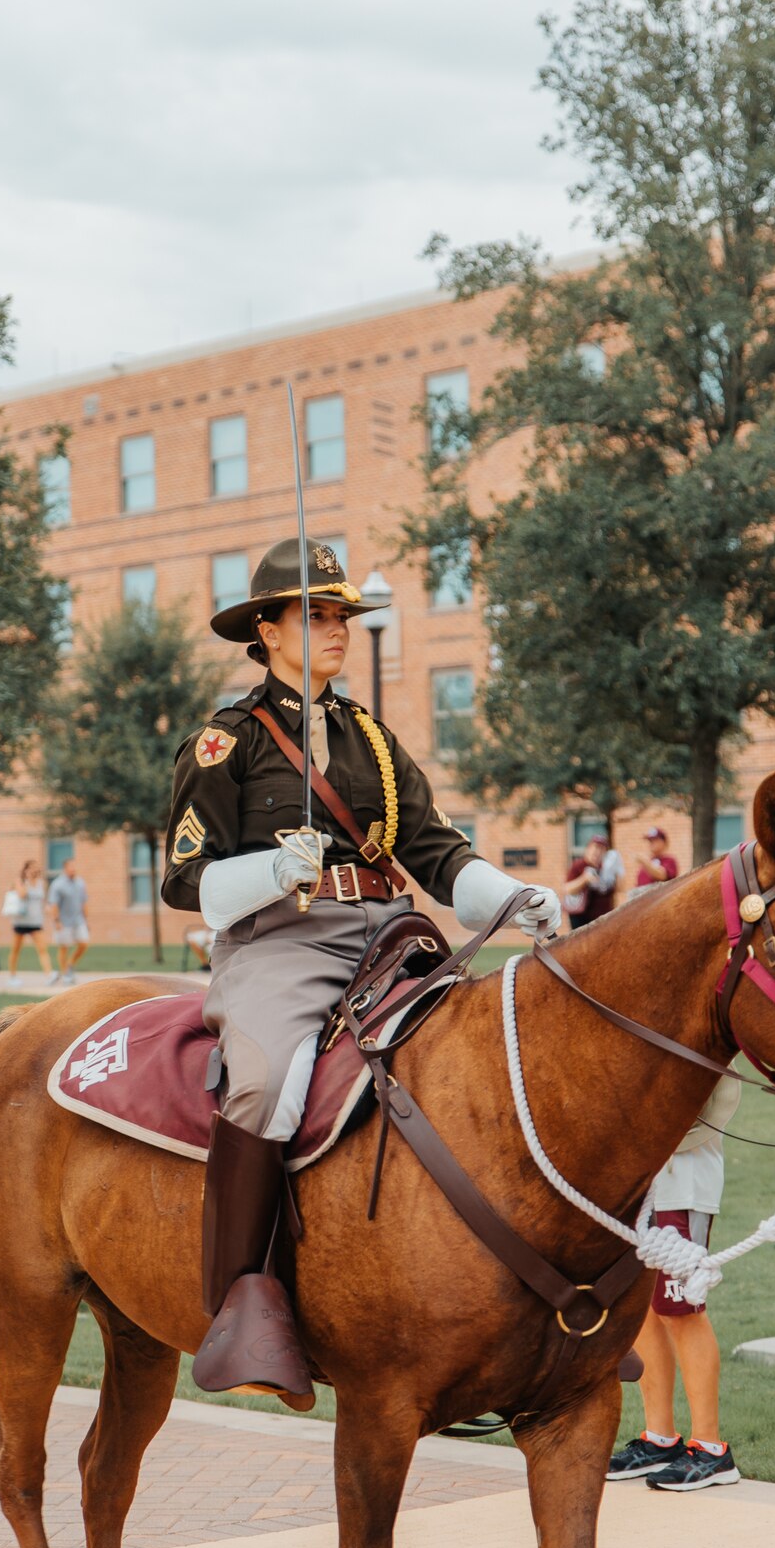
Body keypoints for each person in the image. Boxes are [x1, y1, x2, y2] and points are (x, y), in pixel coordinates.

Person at [162, 536, 562, 1401]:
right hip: (282, 941)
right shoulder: (224, 743)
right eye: (315, 614)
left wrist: (509, 895)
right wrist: (270, 870)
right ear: (266, 630)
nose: (336, 628)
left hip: (390, 932)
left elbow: (435, 847)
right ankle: (241, 1301)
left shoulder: (373, 742)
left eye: (342, 614)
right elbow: (182, 880)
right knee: (267, 1077)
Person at [607, 1078, 742, 1491]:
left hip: (682, 1184)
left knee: (681, 1311)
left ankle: (711, 1450)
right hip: (639, 1183)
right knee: (643, 1309)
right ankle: (660, 1438)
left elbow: (712, 1104)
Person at [4, 858, 51, 985]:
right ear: (26, 869)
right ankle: (12, 976)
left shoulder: (42, 883)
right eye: (31, 867)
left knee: (42, 948)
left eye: (36, 867)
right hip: (21, 922)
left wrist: (47, 908)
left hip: (36, 922)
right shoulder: (20, 881)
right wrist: (28, 880)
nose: (34, 870)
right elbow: (21, 894)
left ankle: (49, 975)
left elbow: (43, 900)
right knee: (16, 950)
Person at [563, 835, 624, 929]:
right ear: (588, 849)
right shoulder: (579, 865)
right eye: (595, 847)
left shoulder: (606, 869)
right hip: (582, 920)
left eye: (601, 849)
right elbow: (568, 889)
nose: (597, 852)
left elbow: (620, 888)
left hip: (603, 919)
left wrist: (619, 871)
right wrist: (584, 879)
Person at [47, 857, 89, 984]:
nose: (73, 869)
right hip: (64, 921)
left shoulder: (80, 883)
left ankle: (70, 965)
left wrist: (86, 919)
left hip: (78, 920)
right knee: (64, 948)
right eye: (71, 867)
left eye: (75, 867)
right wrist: (57, 921)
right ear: (65, 868)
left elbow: (84, 902)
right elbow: (53, 905)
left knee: (84, 943)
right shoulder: (57, 885)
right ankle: (65, 973)